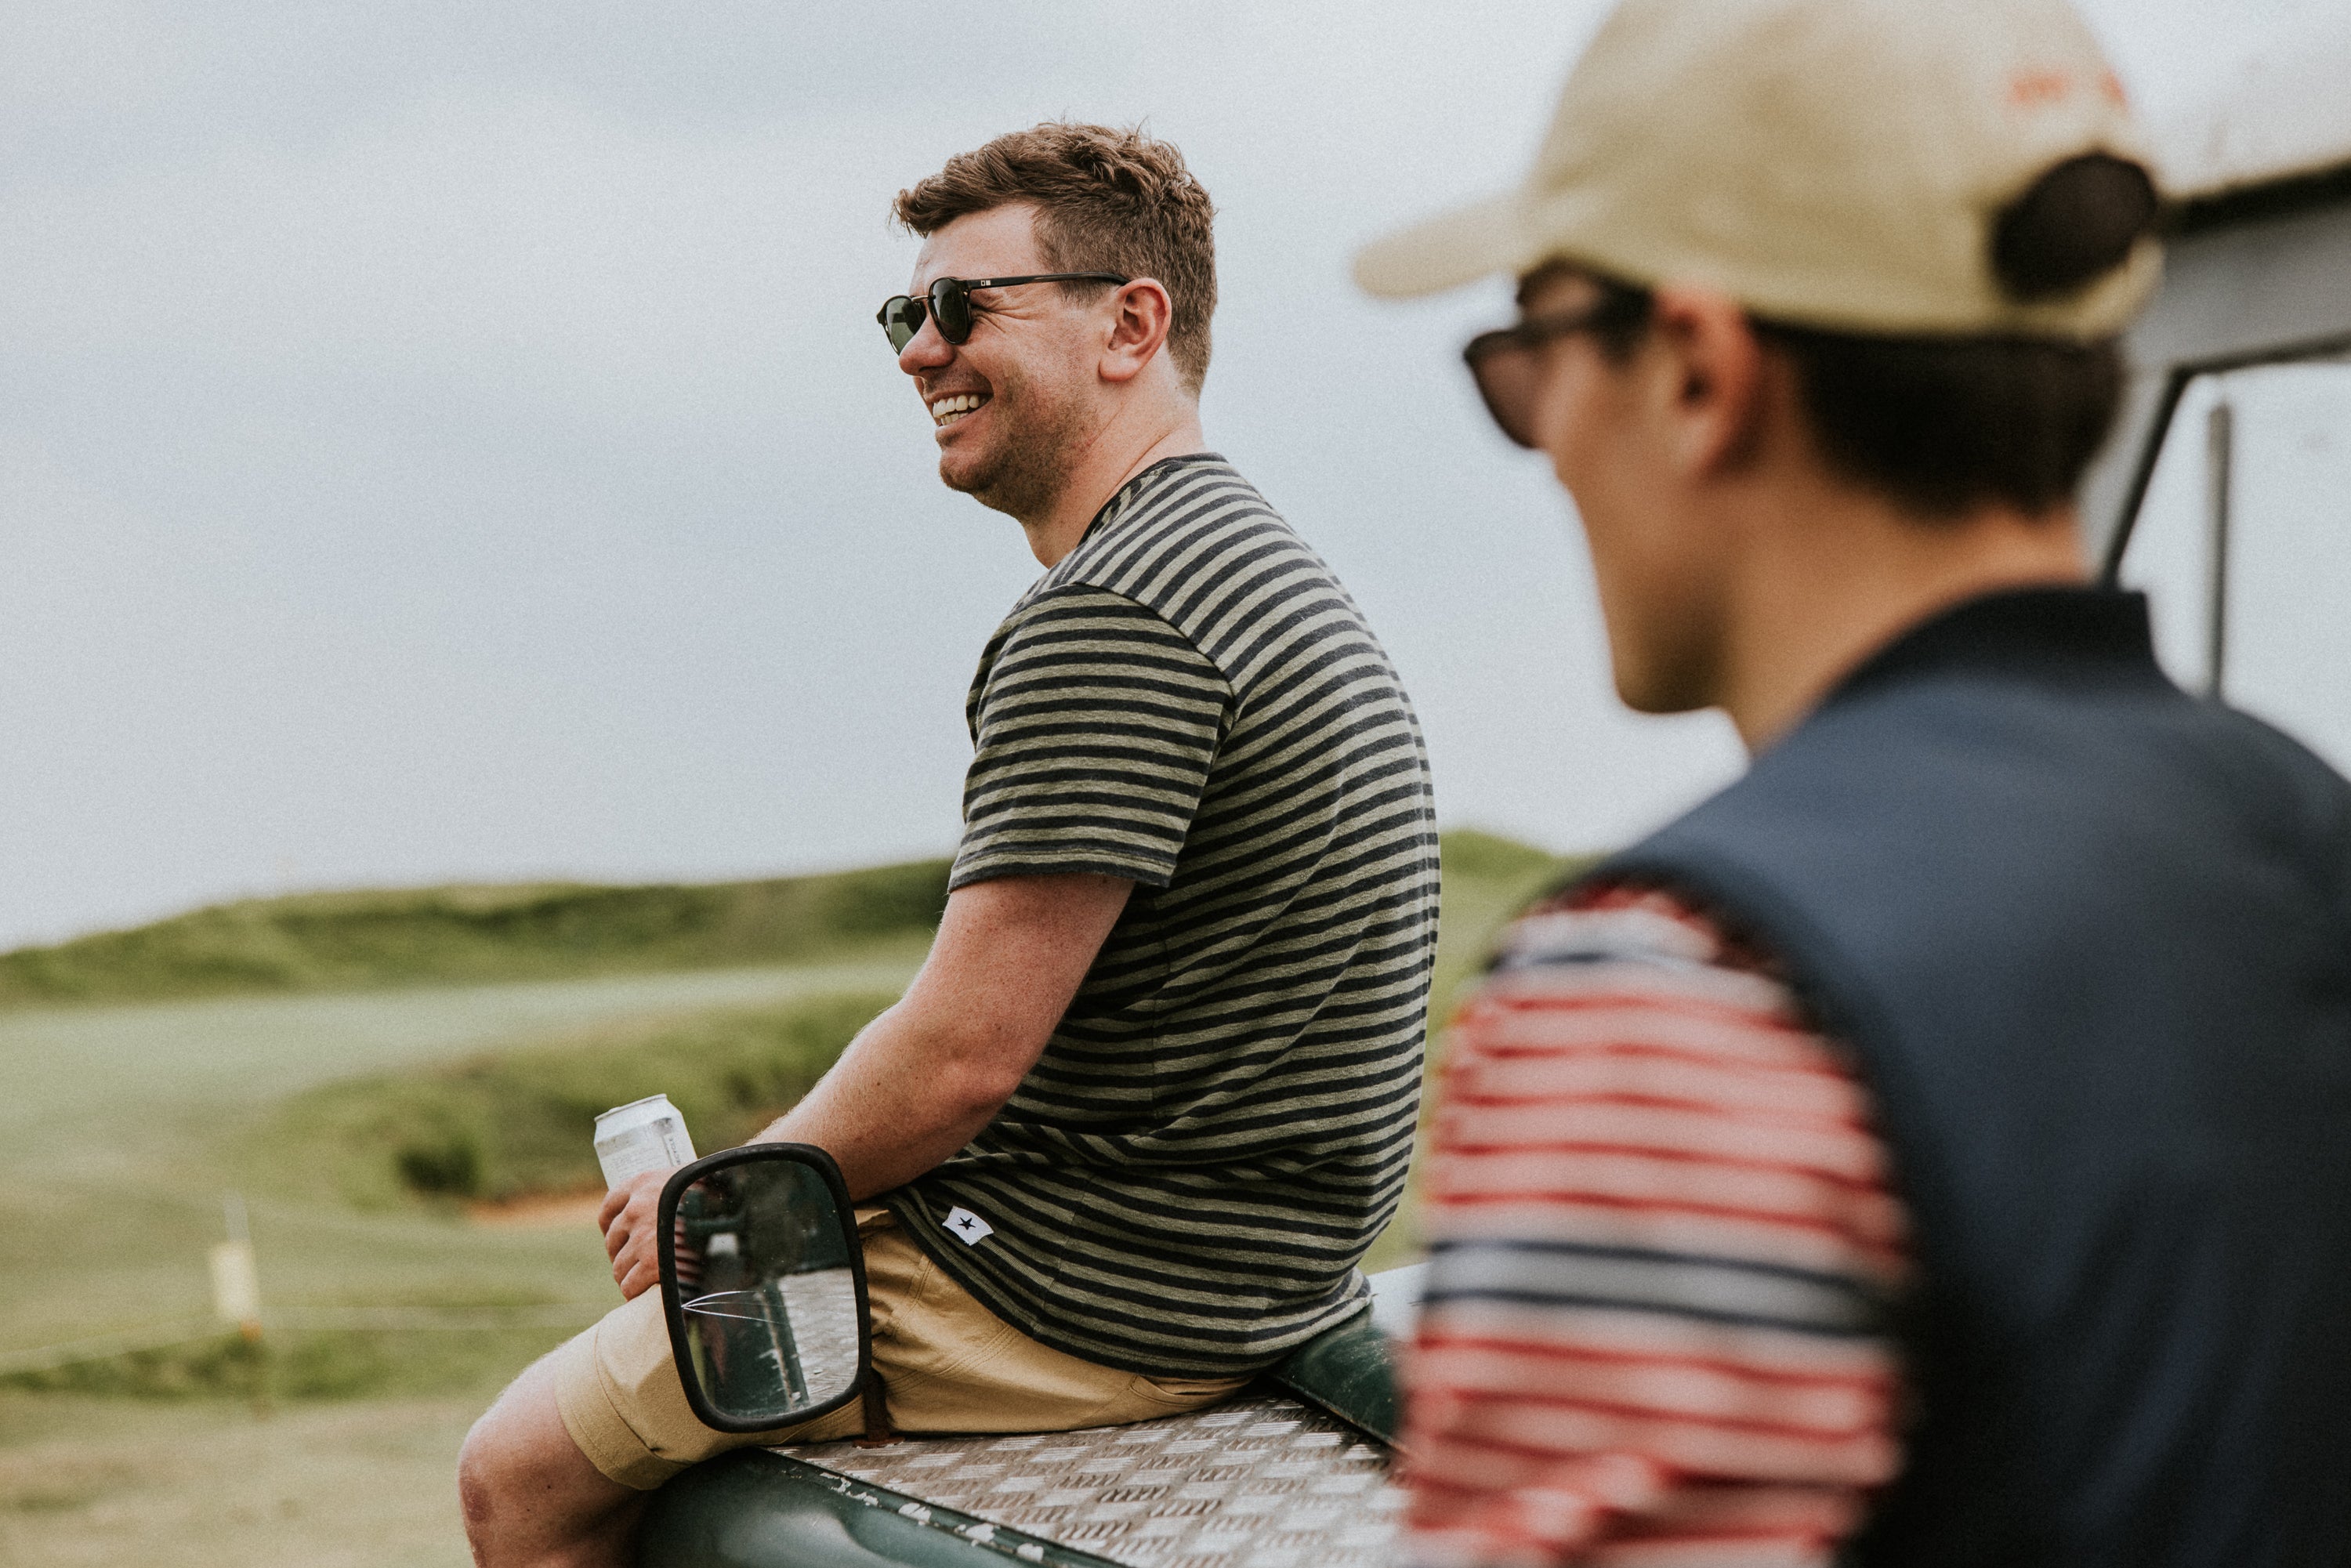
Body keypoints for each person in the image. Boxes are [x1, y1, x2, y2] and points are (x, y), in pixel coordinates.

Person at [1356, 1, 2351, 1564]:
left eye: (1526, 360)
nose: (1545, 446)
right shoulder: (2309, 828)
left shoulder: (1673, 989)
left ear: (1695, 367)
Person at [458, 122, 1439, 1566]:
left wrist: (718, 1201)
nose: (919, 350)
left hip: (1086, 1296)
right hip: (1268, 1276)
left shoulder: (1112, 612)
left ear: (1132, 323)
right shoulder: (1259, 561)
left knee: (515, 1473)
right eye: (902, 315)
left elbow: (960, 1057)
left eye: (965, 307)